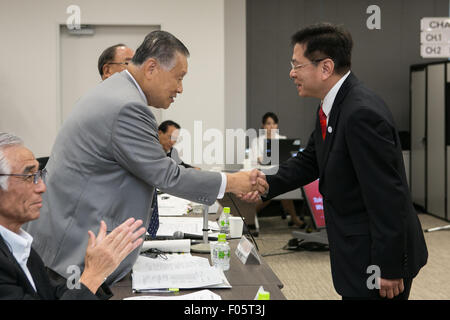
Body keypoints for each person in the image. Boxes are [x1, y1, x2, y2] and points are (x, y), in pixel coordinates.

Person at [25, 30, 267, 286]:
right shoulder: (127, 106)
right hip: (72, 253)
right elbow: (166, 175)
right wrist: (231, 182)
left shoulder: (116, 92)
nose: (180, 89)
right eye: (179, 77)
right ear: (152, 67)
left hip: (68, 239)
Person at [242, 23, 428, 300]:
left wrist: (388, 267)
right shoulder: (333, 105)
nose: (292, 73)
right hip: (356, 248)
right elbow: (311, 160)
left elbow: (388, 195)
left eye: (297, 65)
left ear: (325, 68)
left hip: (377, 257)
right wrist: (266, 183)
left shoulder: (361, 113)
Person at [0, 132, 146, 299]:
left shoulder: (19, 243)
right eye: (28, 177)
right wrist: (93, 275)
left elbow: (55, 293)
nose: (41, 187)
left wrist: (97, 271)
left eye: (39, 176)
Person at [250, 112, 305, 228]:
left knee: (284, 186)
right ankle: (249, 216)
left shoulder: (282, 139)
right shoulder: (257, 141)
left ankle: (294, 218)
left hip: (280, 171)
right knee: (274, 189)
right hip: (264, 173)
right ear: (263, 126)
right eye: (268, 123)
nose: (272, 126)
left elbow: (287, 158)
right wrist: (264, 159)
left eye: (274, 124)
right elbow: (256, 159)